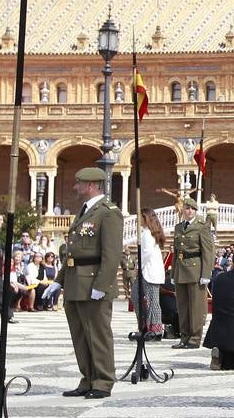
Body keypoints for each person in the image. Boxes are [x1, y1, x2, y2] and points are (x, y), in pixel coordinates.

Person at [56, 167, 124, 399]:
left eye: (79, 183)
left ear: (92, 185)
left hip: (93, 283)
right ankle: (88, 378)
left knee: (98, 334)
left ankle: (103, 381)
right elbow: (73, 252)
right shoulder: (85, 211)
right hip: (76, 283)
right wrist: (59, 280)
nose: (75, 187)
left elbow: (111, 254)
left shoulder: (108, 212)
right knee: (80, 335)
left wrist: (102, 285)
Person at [171, 197, 215, 349]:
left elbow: (208, 251)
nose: (189, 211)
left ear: (195, 211)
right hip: (180, 269)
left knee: (196, 307)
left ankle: (195, 338)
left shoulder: (202, 227)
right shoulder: (178, 227)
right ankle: (184, 336)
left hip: (196, 270)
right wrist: (173, 273)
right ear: (182, 210)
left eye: (192, 209)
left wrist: (206, 274)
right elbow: (176, 252)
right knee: (182, 306)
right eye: (187, 208)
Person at [137, 208, 167, 340]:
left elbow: (146, 254)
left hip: (149, 271)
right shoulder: (148, 233)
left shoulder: (147, 234)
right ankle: (147, 326)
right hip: (151, 271)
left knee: (152, 301)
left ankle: (156, 330)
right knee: (144, 298)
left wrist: (140, 267)